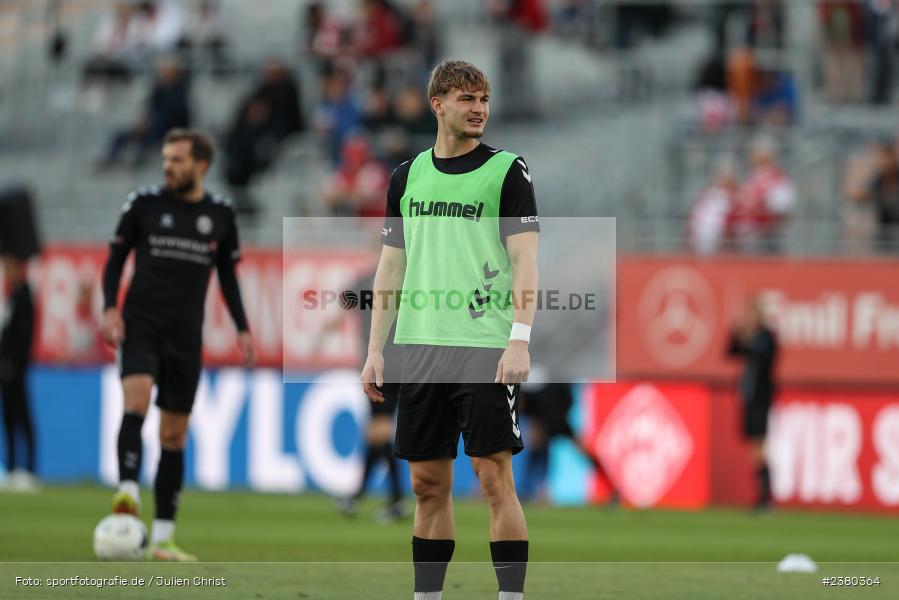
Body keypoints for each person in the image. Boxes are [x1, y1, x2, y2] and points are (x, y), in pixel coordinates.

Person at [362, 59, 539, 600]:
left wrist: (519, 337)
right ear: (437, 104)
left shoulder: (508, 171)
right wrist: (376, 351)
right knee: (426, 484)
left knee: (493, 478)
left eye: (483, 99)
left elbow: (526, 262)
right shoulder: (406, 176)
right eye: (467, 99)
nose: (479, 108)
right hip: (418, 348)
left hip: (483, 347)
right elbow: (391, 266)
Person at [100, 129, 255, 561]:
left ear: (200, 165)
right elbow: (115, 260)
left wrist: (242, 327)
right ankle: (127, 492)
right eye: (165, 159)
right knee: (136, 399)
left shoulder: (221, 213)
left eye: (178, 160)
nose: (168, 166)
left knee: (174, 434)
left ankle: (163, 539)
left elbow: (227, 276)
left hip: (186, 334)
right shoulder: (143, 204)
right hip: (140, 324)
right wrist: (110, 307)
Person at [327, 251, 406, 522]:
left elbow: (341, 306)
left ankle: (396, 499)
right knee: (376, 433)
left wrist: (321, 334)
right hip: (403, 363)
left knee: (379, 431)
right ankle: (359, 495)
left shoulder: (366, 281)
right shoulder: (407, 279)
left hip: (380, 365)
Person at [727, 297, 778, 511]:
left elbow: (763, 356)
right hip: (749, 397)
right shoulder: (751, 336)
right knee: (754, 447)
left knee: (759, 446)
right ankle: (762, 496)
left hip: (761, 398)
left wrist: (748, 339)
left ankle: (765, 497)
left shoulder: (766, 337)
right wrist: (736, 333)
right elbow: (731, 352)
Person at [0, 255, 38, 493]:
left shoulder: (24, 297)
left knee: (22, 418)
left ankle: (30, 470)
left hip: (16, 369)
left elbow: (22, 336)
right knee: (9, 418)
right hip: (6, 368)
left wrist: (12, 363)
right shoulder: (12, 296)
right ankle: (13, 468)